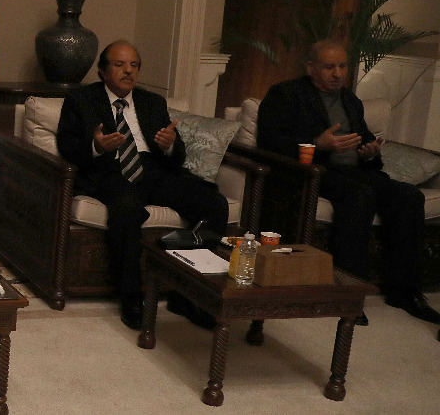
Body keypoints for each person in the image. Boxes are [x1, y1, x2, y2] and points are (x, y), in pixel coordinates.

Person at [257, 40, 439, 327]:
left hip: (357, 171)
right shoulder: (286, 94)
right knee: (360, 195)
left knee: (408, 196)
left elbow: (364, 141)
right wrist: (318, 144)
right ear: (310, 67)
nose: (338, 73)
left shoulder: (351, 101)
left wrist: (369, 152)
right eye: (329, 67)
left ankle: (404, 291)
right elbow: (269, 142)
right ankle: (349, 293)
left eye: (342, 66)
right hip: (316, 171)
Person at [57, 40, 228, 330]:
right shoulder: (81, 100)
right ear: (102, 72)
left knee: (214, 204)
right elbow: (67, 146)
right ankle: (132, 298)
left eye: (134, 65)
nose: (128, 71)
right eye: (119, 64)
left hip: (153, 170)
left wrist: (170, 145)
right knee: (127, 210)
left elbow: (177, 155)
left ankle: (187, 294)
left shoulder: (152, 102)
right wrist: (97, 146)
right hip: (109, 171)